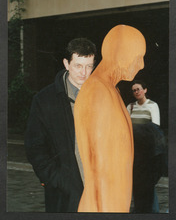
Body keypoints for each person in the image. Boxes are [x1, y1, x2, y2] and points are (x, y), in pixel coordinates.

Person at [74, 25, 146, 212]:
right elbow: (101, 169)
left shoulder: (110, 90)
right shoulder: (99, 92)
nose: (141, 65)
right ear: (121, 54)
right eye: (138, 57)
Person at [25, 38, 97, 212]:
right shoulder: (45, 99)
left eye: (89, 66)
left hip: (97, 189)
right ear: (66, 63)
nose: (84, 73)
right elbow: (35, 147)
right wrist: (57, 180)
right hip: (64, 194)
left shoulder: (101, 96)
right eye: (78, 66)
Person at [127, 80, 165, 213]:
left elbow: (155, 128)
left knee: (148, 183)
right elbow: (127, 129)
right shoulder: (130, 107)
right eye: (134, 90)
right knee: (137, 182)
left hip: (147, 151)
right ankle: (139, 210)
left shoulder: (152, 106)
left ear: (145, 90)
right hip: (135, 151)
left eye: (138, 89)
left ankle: (152, 212)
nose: (136, 92)